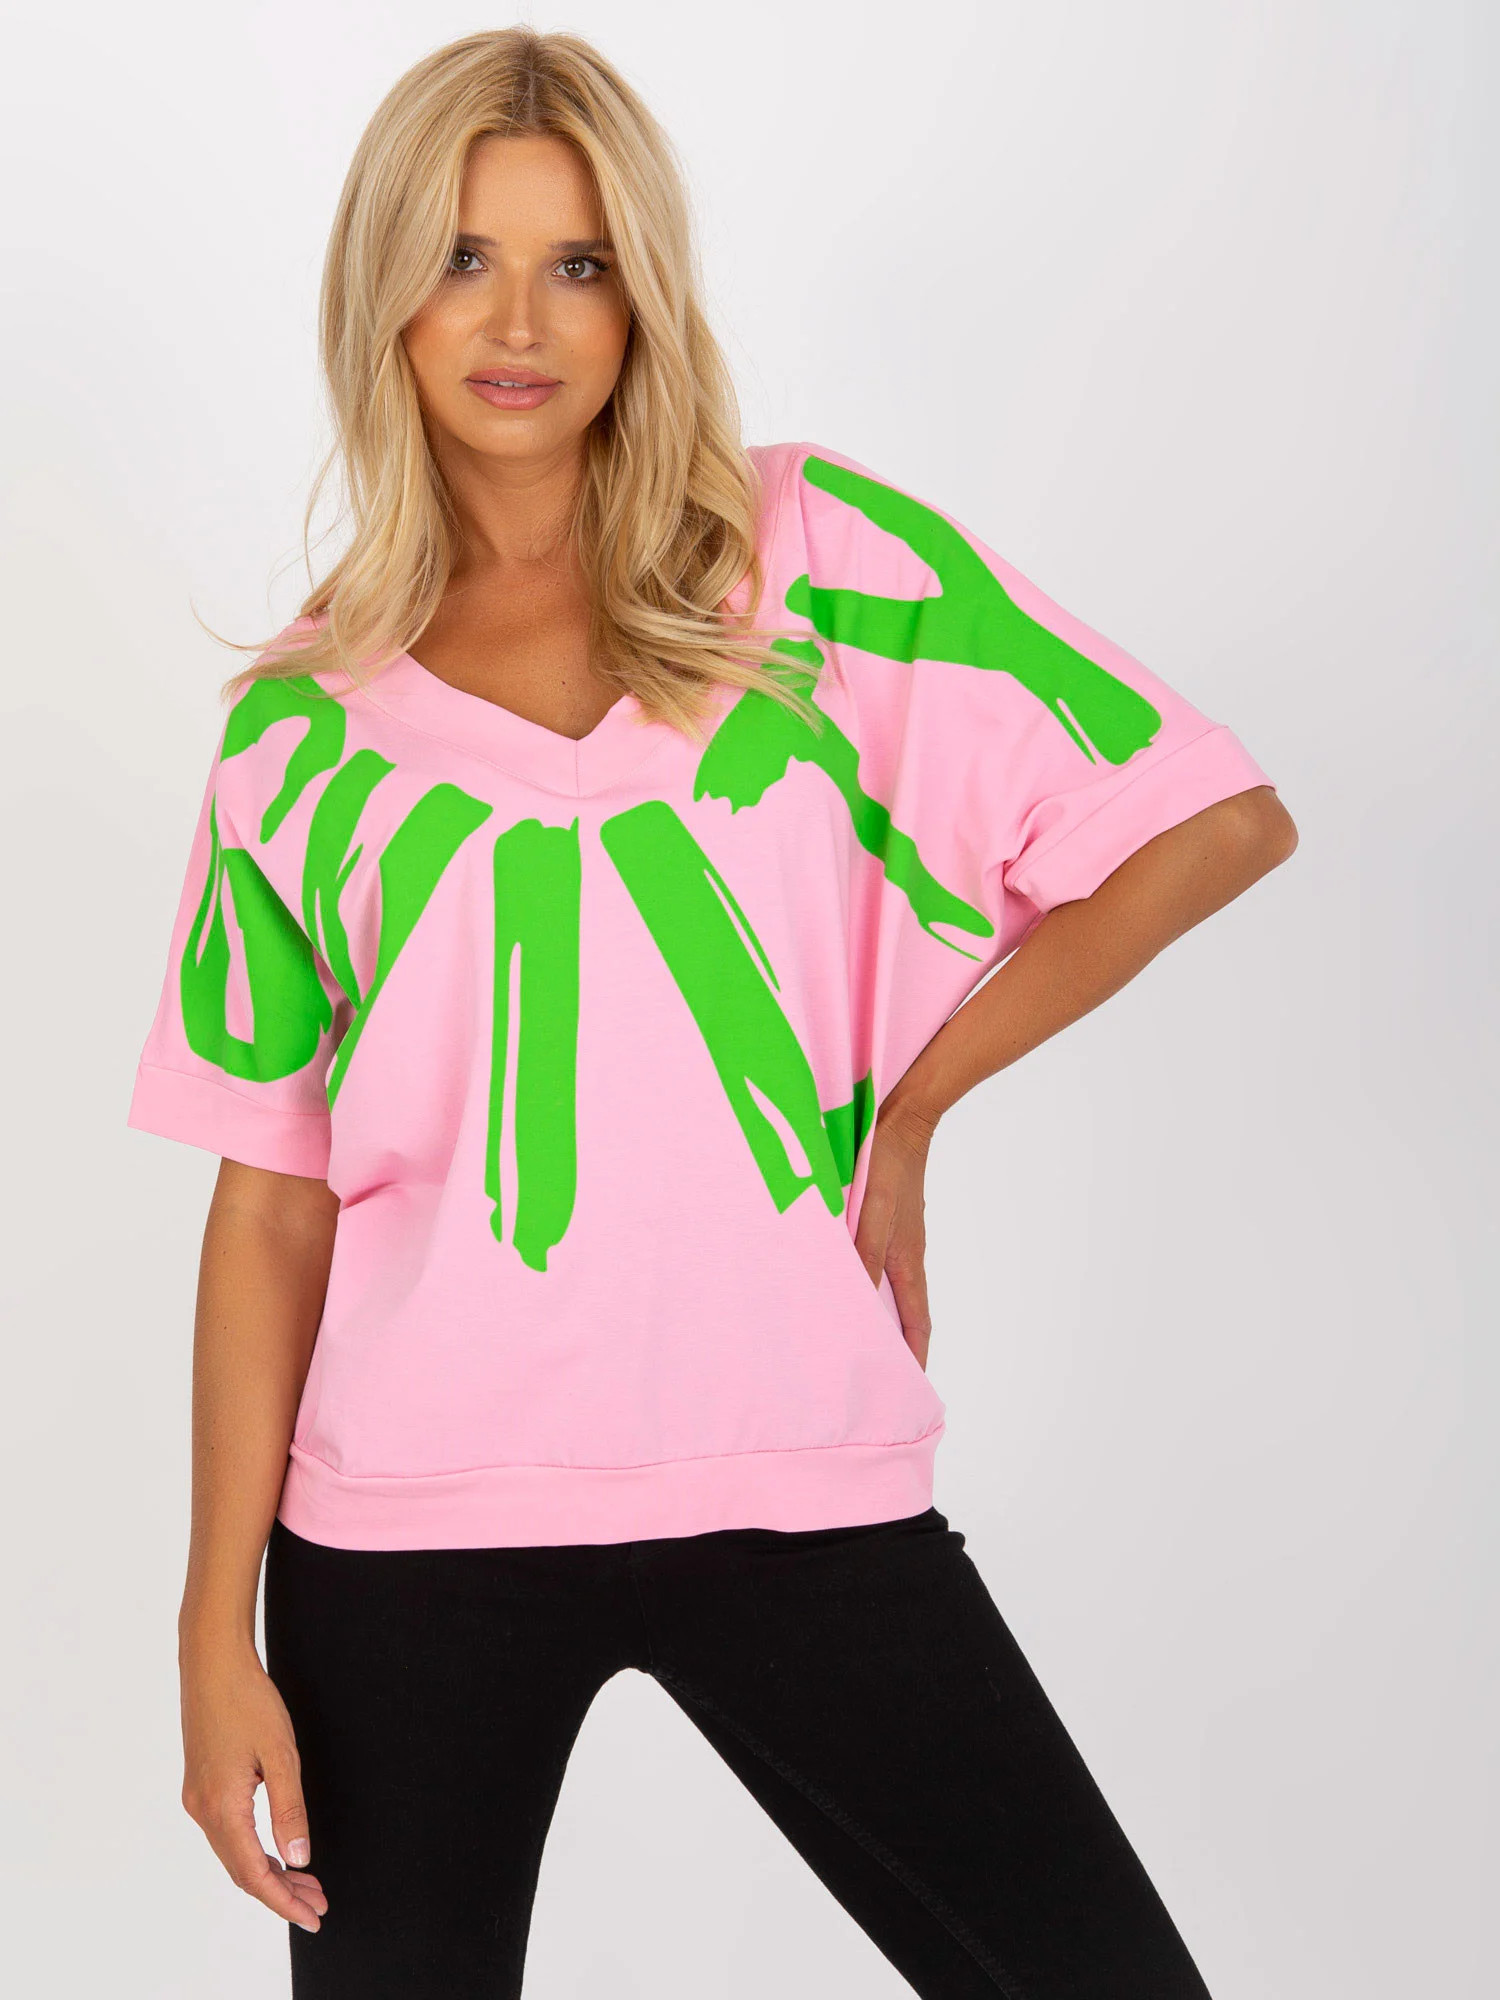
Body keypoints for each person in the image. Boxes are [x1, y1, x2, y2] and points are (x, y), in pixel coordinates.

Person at [126, 26, 1298, 2000]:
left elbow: (1207, 823)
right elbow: (268, 1203)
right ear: (382, 292)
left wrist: (913, 1107)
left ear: (642, 295)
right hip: (405, 1530)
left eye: (577, 263)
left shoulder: (812, 564)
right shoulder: (298, 725)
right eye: (463, 258)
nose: (520, 322)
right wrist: (208, 1634)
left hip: (796, 1470)